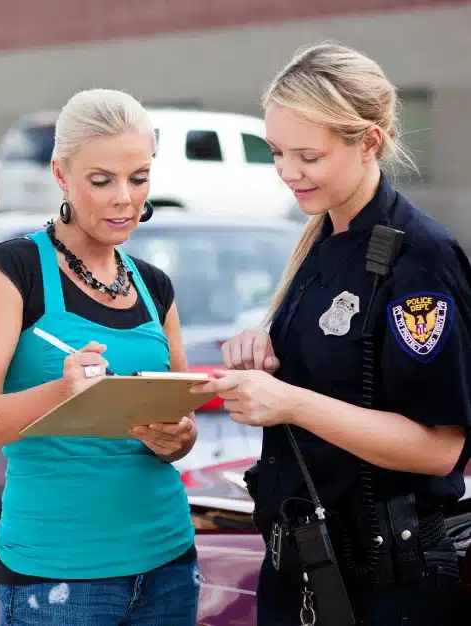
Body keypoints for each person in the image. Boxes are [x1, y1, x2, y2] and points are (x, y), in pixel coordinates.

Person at [191, 42, 471, 625]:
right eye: (276, 153)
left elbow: (440, 449)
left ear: (369, 141)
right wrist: (266, 357)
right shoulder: (322, 242)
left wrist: (289, 402)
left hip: (384, 581)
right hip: (307, 566)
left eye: (307, 156)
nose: (287, 173)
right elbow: (340, 374)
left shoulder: (419, 258)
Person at [0, 88, 201, 625]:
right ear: (61, 175)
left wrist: (178, 437)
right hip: (59, 576)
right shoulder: (10, 272)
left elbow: (180, 421)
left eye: (139, 178)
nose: (124, 199)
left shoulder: (154, 286)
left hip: (169, 561)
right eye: (101, 180)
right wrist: (61, 394)